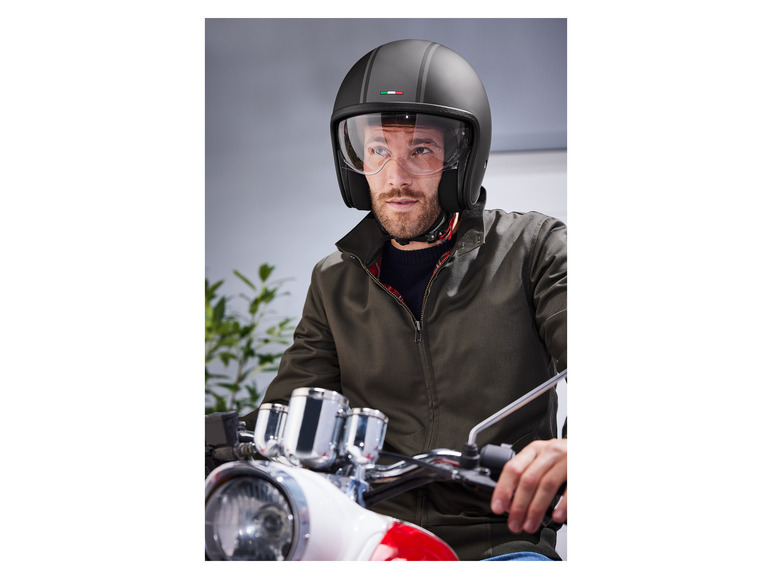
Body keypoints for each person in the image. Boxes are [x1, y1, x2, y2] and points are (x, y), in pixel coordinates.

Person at [243, 39, 567, 561]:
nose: (395, 177)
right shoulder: (334, 281)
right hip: (370, 541)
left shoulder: (536, 249)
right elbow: (282, 416)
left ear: (461, 160)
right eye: (378, 150)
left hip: (499, 542)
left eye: (420, 150)